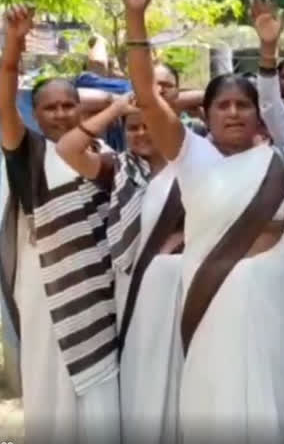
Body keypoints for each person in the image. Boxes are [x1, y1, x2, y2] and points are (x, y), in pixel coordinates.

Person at [121, 0, 284, 443]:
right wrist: (135, 17)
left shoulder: (282, 163)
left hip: (271, 302)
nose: (233, 113)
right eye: (222, 105)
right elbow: (146, 95)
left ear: (257, 114)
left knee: (273, 402)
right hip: (210, 305)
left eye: (243, 105)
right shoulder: (191, 155)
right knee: (212, 401)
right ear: (205, 116)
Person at [0, 5, 120, 444]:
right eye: (50, 107)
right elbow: (4, 90)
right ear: (36, 113)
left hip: (97, 288)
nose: (61, 113)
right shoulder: (27, 151)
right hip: (44, 287)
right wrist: (12, 45)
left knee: (99, 387)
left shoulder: (107, 157)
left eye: (70, 104)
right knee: (50, 383)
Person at [55, 92, 185, 444]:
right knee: (140, 366)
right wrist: (114, 108)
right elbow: (67, 149)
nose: (141, 133)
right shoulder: (118, 168)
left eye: (149, 125)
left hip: (183, 287)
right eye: (132, 128)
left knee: (181, 369)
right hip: (133, 287)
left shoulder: (192, 166)